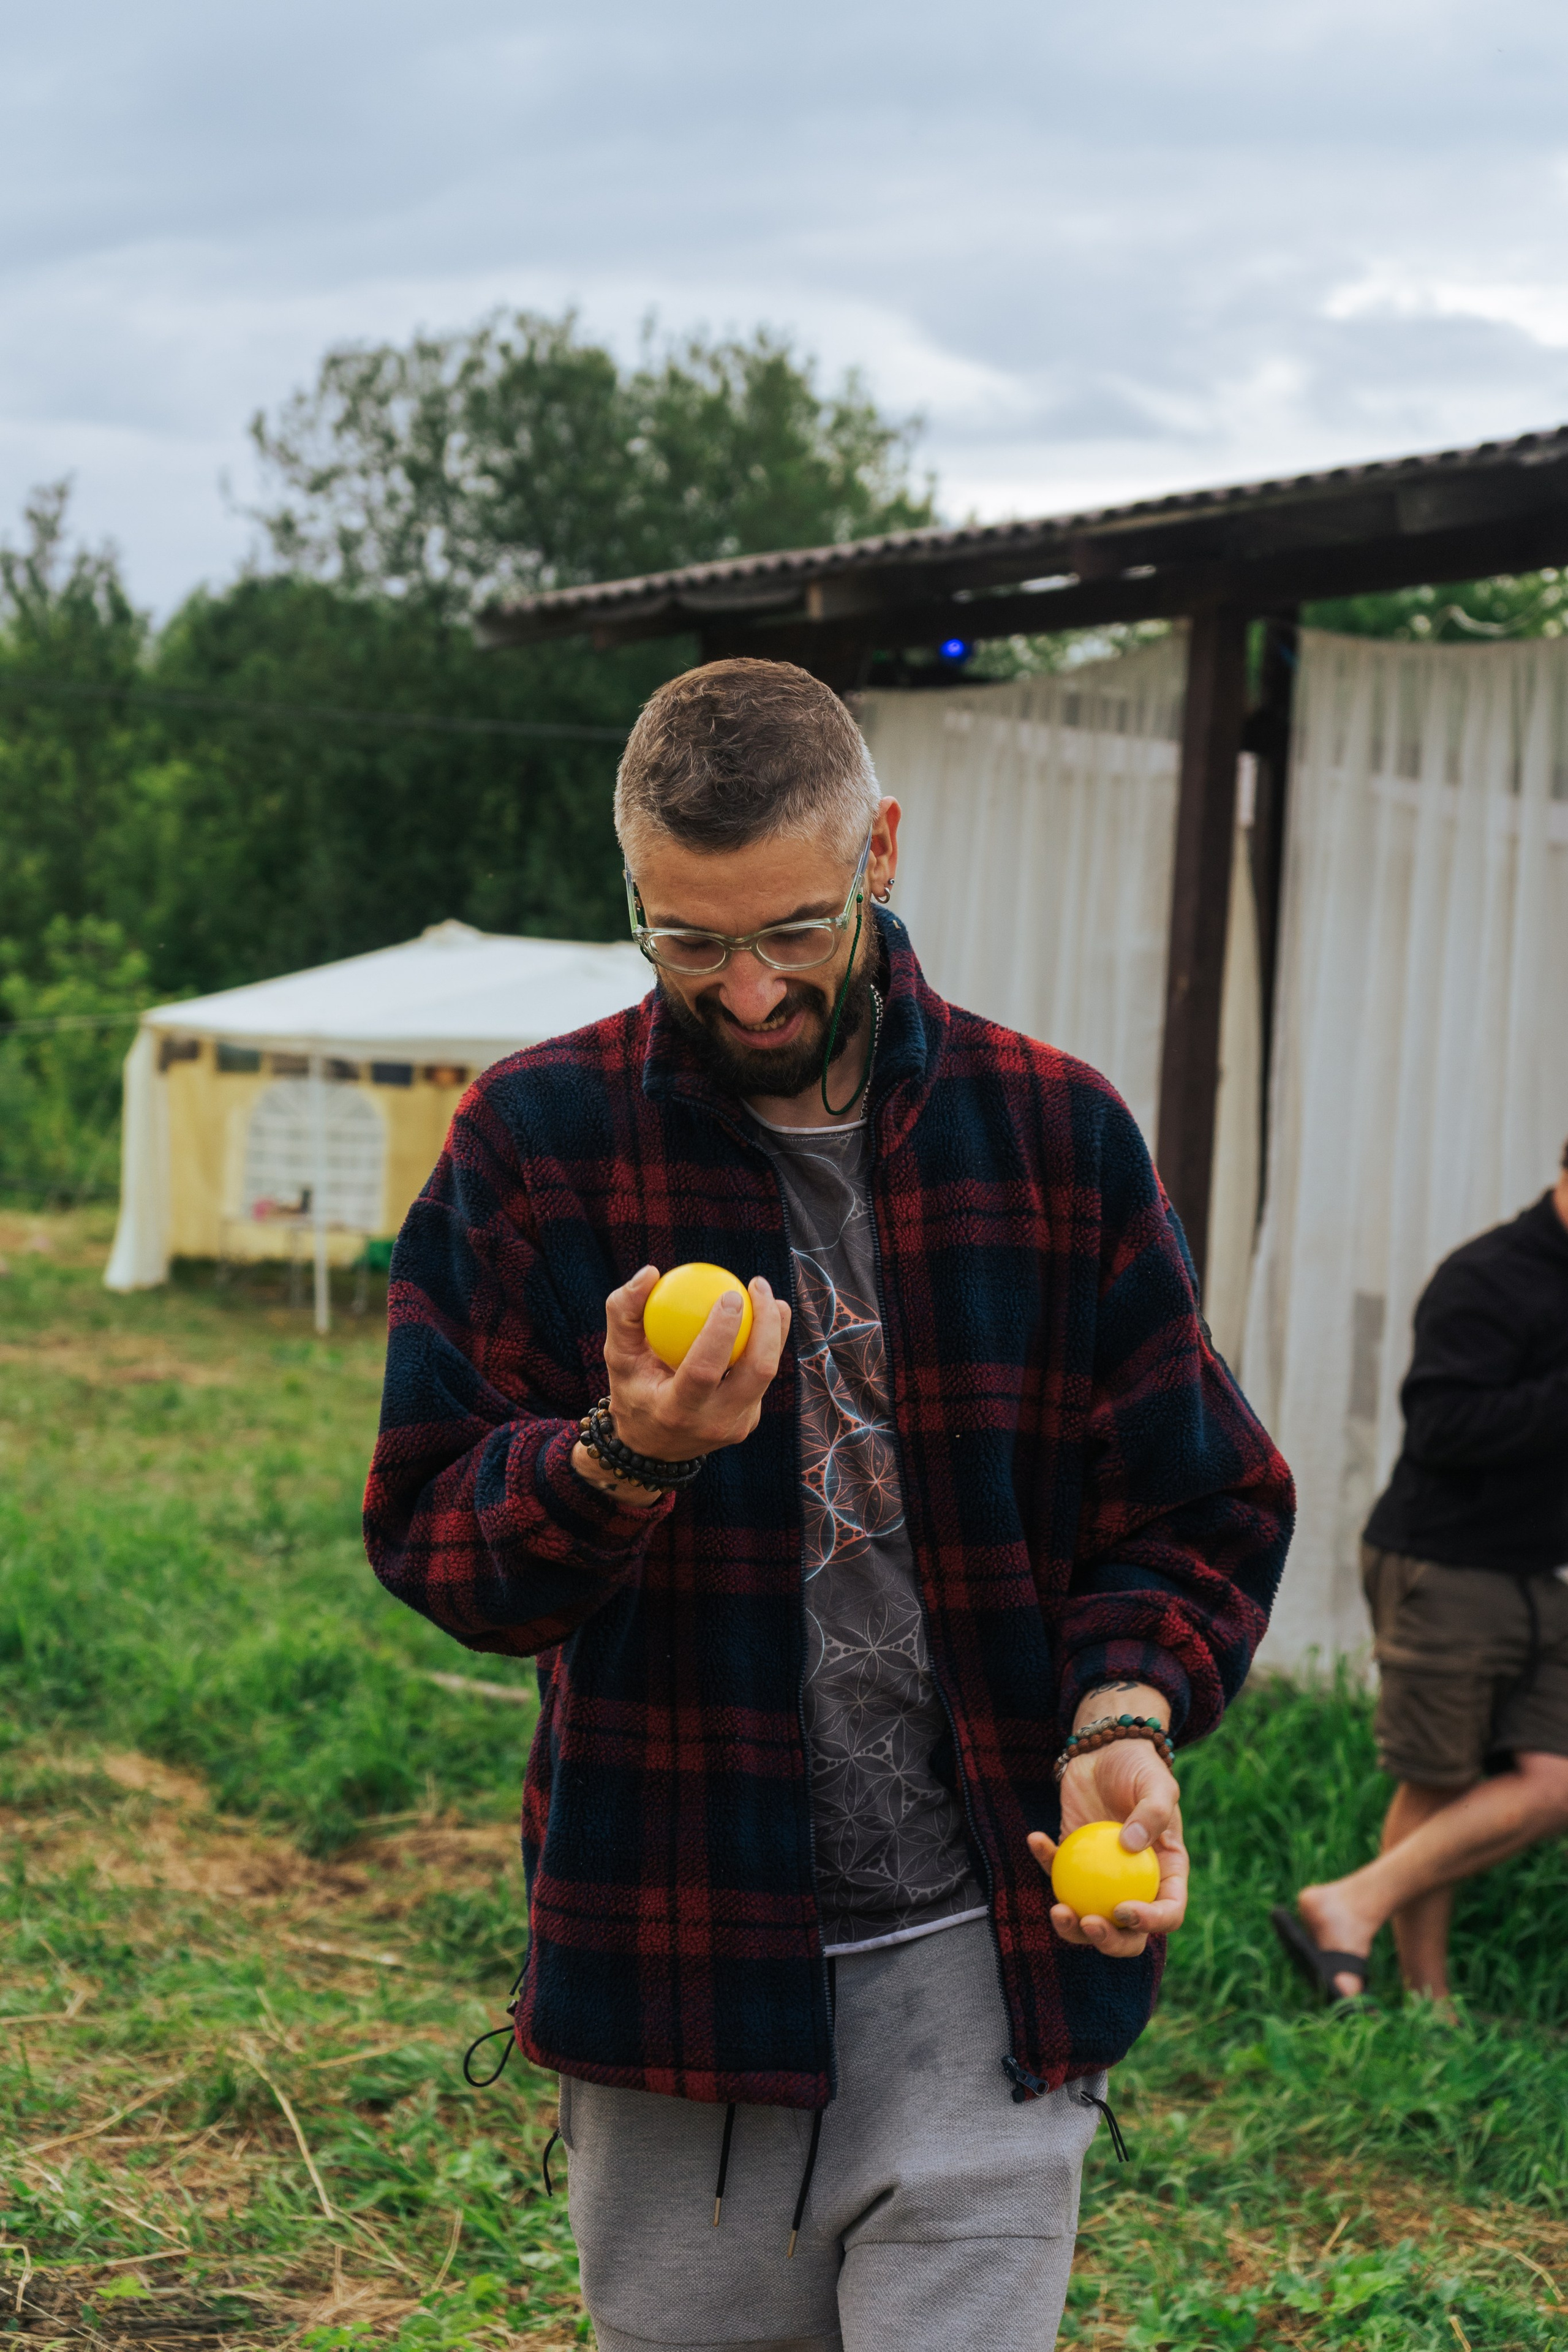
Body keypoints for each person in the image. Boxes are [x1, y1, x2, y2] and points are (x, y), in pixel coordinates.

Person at [365, 658, 1293, 2352]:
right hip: (681, 1967)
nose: (747, 988)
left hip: (986, 1954)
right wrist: (621, 1459)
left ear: (880, 846)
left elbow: (1196, 1497)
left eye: (794, 929)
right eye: (686, 940)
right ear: (632, 891)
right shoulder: (535, 1141)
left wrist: (1122, 1711)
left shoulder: (1053, 1133)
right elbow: (437, 1535)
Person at [1274, 1152, 1568, 2005]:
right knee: (1439, 1779)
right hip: (1448, 1564)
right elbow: (1443, 1428)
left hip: (1540, 1573)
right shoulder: (1487, 1277)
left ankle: (1350, 1903)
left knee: (1555, 1781)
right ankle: (1426, 2000)